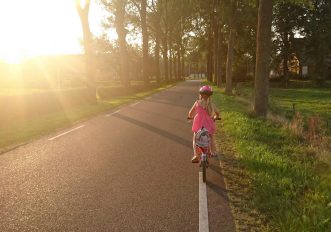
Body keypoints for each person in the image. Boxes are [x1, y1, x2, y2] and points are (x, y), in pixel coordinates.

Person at [188, 85, 220, 162]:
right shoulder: (211, 104)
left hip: (198, 124)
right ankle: (212, 152)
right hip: (208, 124)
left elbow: (190, 113)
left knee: (195, 138)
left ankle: (196, 155)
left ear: (201, 95)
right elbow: (217, 113)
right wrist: (216, 117)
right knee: (211, 136)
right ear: (210, 95)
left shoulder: (197, 103)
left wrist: (190, 117)